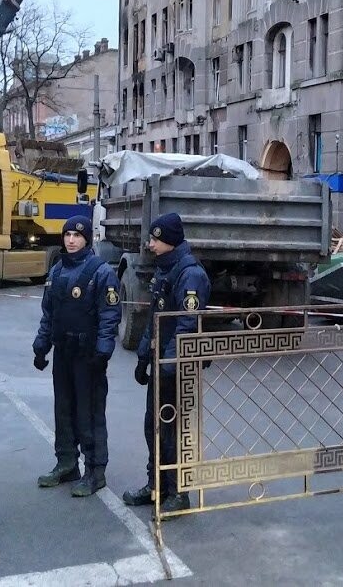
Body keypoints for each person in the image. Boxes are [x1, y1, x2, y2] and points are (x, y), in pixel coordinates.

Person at [122, 212, 210, 513]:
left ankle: (178, 492)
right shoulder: (165, 269)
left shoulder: (190, 274)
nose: (150, 245)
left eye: (155, 240)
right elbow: (155, 320)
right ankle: (156, 485)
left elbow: (187, 324)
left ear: (170, 241)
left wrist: (170, 364)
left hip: (179, 366)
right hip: (162, 363)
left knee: (175, 429)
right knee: (154, 426)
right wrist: (144, 356)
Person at [33, 215, 121, 497]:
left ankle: (95, 471)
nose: (71, 240)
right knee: (64, 409)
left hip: (88, 354)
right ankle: (67, 463)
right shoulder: (57, 271)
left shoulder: (101, 272)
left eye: (77, 235)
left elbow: (110, 316)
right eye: (67, 235)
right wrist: (41, 345)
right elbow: (49, 313)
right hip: (63, 353)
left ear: (87, 239)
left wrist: (103, 352)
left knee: (89, 413)